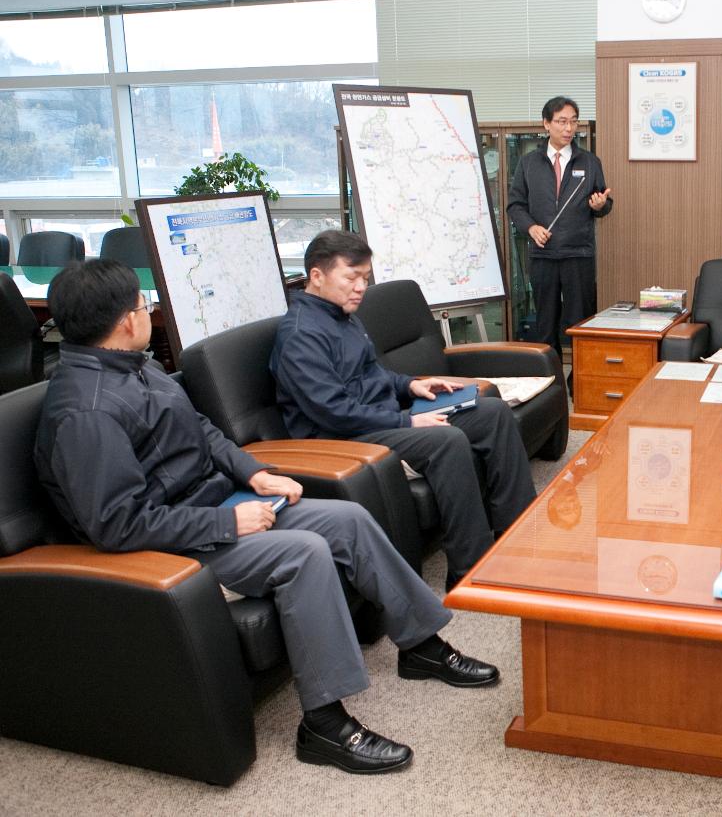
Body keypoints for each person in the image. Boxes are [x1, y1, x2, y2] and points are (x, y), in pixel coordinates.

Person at [34, 259, 500, 776]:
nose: (147, 313)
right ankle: (323, 725)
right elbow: (117, 525)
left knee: (349, 520)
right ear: (125, 321)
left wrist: (254, 473)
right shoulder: (86, 413)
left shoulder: (135, 365)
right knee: (304, 553)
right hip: (174, 540)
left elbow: (204, 431)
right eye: (144, 306)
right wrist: (227, 525)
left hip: (216, 504)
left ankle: (421, 646)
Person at [270, 230, 535, 590]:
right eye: (351, 277)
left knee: (492, 412)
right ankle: (470, 569)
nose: (361, 287)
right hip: (344, 436)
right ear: (317, 276)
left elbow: (372, 373)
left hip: (381, 415)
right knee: (446, 440)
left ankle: (515, 534)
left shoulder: (342, 315)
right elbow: (333, 411)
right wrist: (408, 420)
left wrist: (410, 385)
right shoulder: (301, 335)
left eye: (365, 277)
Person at [507, 95, 613, 356]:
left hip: (578, 254)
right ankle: (550, 383)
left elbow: (604, 202)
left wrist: (600, 205)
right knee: (545, 324)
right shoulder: (529, 162)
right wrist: (531, 228)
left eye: (573, 122)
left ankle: (578, 384)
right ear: (546, 124)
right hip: (542, 255)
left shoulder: (589, 161)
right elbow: (515, 205)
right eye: (562, 122)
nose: (569, 129)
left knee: (581, 324)